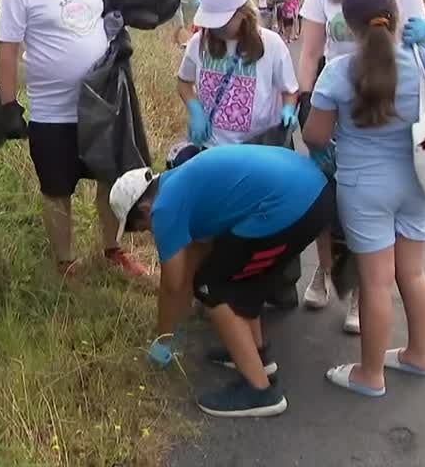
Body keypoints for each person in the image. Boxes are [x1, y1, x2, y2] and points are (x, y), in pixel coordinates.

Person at [302, 0, 425, 397]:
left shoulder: (337, 73)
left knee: (375, 282)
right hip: (418, 181)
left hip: (364, 189)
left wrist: (327, 147)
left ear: (348, 26)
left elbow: (315, 135)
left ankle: (370, 375)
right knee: (413, 272)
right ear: (396, 16)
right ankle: (419, 354)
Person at [110, 145, 335, 417]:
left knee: (213, 288)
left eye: (142, 228)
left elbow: (172, 286)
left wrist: (162, 342)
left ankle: (260, 392)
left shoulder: (164, 207)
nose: (149, 232)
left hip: (293, 205)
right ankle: (257, 356)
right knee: (235, 276)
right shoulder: (179, 184)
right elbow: (193, 264)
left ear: (145, 209)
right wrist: (176, 320)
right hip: (311, 191)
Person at [296, 0, 425, 333]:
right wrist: (303, 100)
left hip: (387, 106)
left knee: (372, 199)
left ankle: (361, 291)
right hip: (337, 100)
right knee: (328, 193)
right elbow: (310, 52)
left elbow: (421, 51)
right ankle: (326, 270)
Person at [0, 0, 146, 278]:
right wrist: (8, 105)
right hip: (51, 113)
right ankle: (65, 263)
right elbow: (7, 50)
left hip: (101, 105)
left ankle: (113, 251)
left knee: (111, 178)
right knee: (56, 188)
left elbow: (118, 15)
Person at [177, 0, 299, 150]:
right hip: (211, 148)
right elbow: (183, 82)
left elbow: (289, 90)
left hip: (259, 148)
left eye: (222, 23)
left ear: (242, 14)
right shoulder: (198, 42)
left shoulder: (272, 44)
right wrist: (195, 109)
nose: (215, 28)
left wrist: (288, 110)